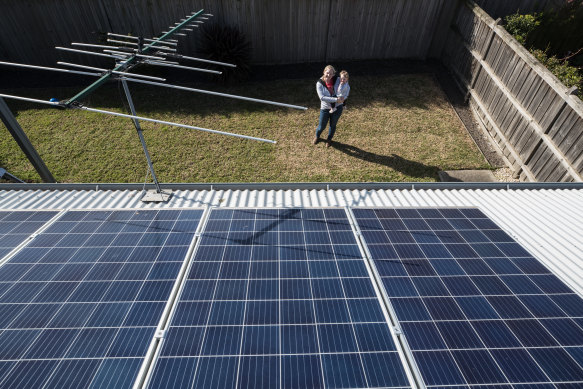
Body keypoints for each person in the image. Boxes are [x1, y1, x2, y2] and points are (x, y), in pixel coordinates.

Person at [313, 65, 346, 148]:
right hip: (325, 108)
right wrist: (336, 100)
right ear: (324, 72)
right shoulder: (319, 83)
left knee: (333, 125)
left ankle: (329, 139)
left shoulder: (337, 80)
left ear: (334, 74)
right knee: (321, 126)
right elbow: (322, 98)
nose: (329, 75)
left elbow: (346, 85)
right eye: (327, 73)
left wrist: (344, 96)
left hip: (338, 107)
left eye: (331, 74)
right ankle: (317, 136)